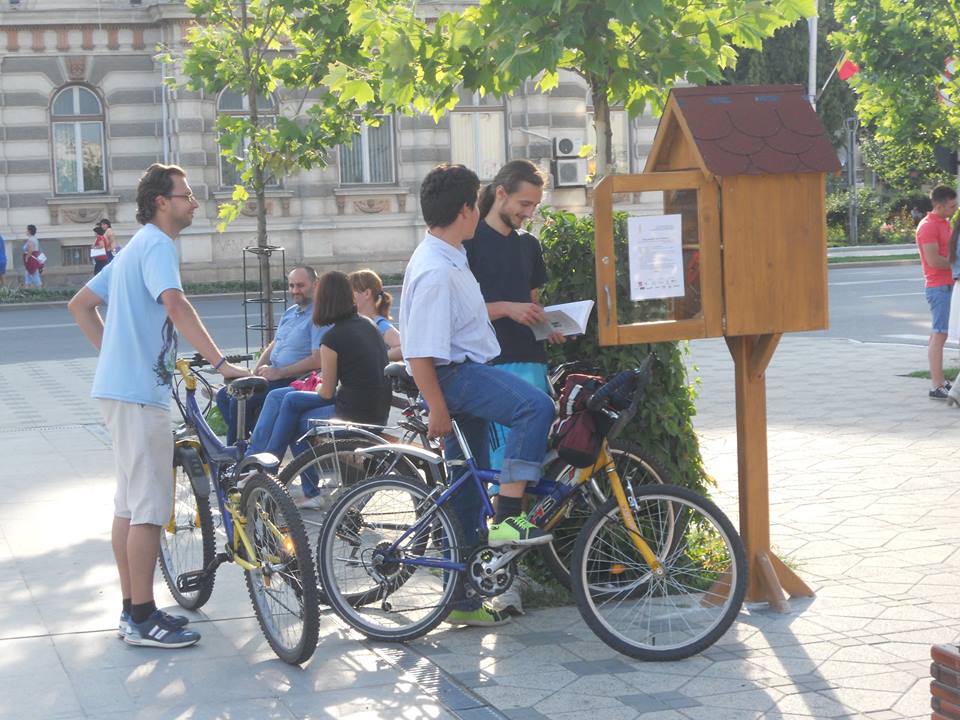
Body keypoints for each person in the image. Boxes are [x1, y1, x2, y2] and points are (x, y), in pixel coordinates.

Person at [68, 163, 249, 649]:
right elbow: (176, 305)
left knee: (129, 505)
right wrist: (221, 364)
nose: (195, 203)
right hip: (137, 396)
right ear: (162, 202)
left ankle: (134, 610)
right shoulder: (158, 246)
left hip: (120, 390)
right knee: (149, 507)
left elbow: (79, 305)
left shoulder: (132, 249)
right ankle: (142, 618)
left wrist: (115, 355)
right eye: (187, 195)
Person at [400, 163, 556, 627]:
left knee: (465, 490)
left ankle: (462, 602)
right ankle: (508, 517)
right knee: (536, 406)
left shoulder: (449, 255)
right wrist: (437, 407)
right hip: (456, 376)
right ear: (466, 210)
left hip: (462, 372)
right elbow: (419, 350)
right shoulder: (437, 269)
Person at [462, 159, 564, 616]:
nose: (529, 213)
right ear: (500, 193)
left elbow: (533, 306)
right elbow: (463, 312)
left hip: (531, 362)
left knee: (526, 475)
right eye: (524, 203)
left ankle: (511, 574)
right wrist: (506, 308)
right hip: (490, 367)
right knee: (498, 475)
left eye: (535, 206)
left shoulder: (529, 246)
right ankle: (495, 577)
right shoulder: (468, 243)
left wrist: (550, 326)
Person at [246, 270, 391, 509]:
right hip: (375, 408)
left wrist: (317, 384)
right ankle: (269, 471)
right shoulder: (366, 324)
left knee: (292, 408)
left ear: (323, 301)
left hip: (354, 414)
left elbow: (326, 393)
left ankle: (267, 473)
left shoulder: (332, 338)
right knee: (279, 396)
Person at [215, 265, 325, 444]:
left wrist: (280, 372)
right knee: (223, 395)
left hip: (295, 380)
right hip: (272, 375)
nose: (295, 291)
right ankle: (255, 442)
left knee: (239, 400)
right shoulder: (291, 312)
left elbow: (318, 359)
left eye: (300, 285)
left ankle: (240, 454)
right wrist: (254, 373)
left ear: (316, 284)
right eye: (291, 286)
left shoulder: (320, 316)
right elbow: (274, 344)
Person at [917, 185, 958, 400]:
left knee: (939, 333)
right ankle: (936, 385)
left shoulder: (945, 223)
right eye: (951, 206)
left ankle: (941, 381)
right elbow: (933, 261)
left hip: (949, 285)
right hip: (939, 287)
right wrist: (957, 265)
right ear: (939, 206)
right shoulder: (928, 226)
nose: (955, 209)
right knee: (940, 334)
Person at [349, 269, 402, 361]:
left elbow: (402, 348)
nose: (347, 298)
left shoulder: (378, 324)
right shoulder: (357, 322)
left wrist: (373, 358)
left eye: (351, 293)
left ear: (367, 294)